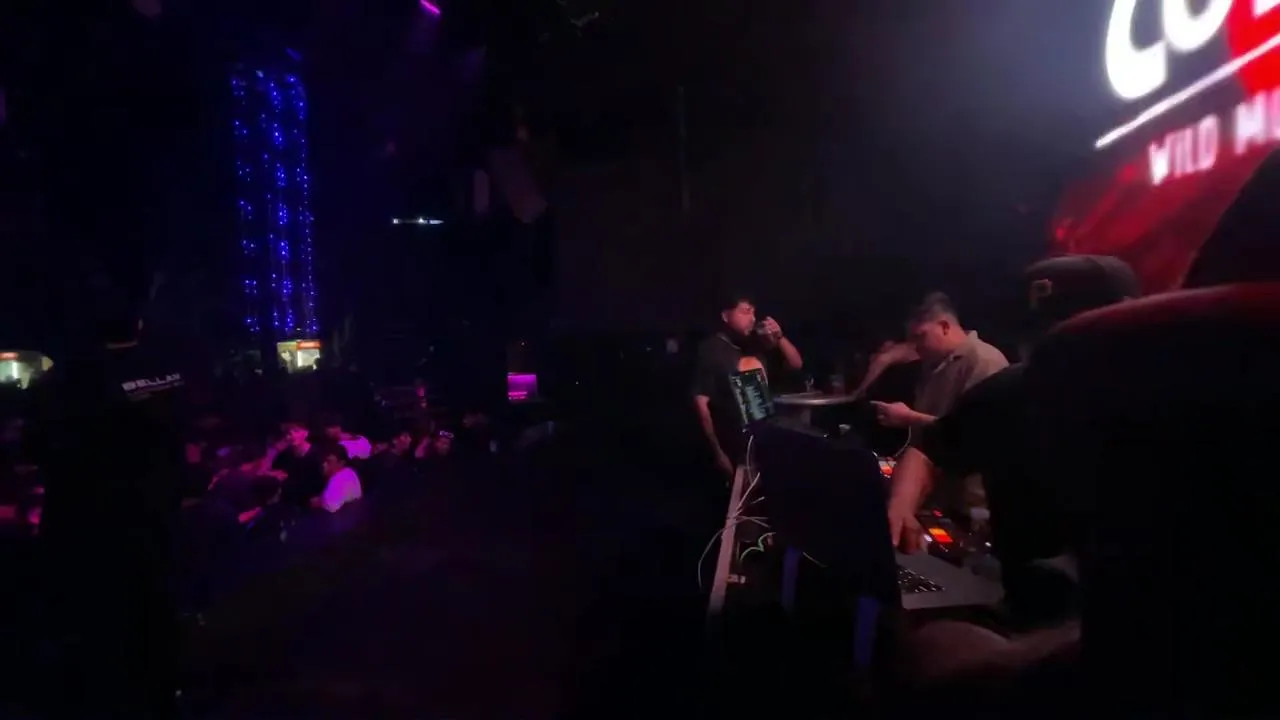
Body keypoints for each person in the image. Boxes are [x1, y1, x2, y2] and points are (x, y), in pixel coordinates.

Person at [886, 256, 1141, 627]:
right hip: (1028, 607)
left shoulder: (1165, 400)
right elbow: (929, 450)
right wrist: (900, 507)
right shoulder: (1012, 391)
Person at [27, 270, 191, 716]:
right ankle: (162, 691)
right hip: (154, 516)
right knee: (154, 609)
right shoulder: (168, 372)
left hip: (91, 523)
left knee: (99, 625)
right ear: (138, 323)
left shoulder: (67, 384)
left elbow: (37, 447)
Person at [692, 294, 803, 478]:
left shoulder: (756, 344)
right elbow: (701, 403)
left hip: (763, 440)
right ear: (725, 316)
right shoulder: (711, 349)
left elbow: (796, 364)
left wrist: (779, 337)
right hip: (732, 443)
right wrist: (717, 452)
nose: (752, 318)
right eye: (745, 312)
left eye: (753, 312)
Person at [869, 292, 1008, 434]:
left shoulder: (984, 360)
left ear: (944, 327)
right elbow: (928, 434)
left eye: (919, 336)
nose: (915, 346)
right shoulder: (932, 365)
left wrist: (909, 418)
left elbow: (977, 433)